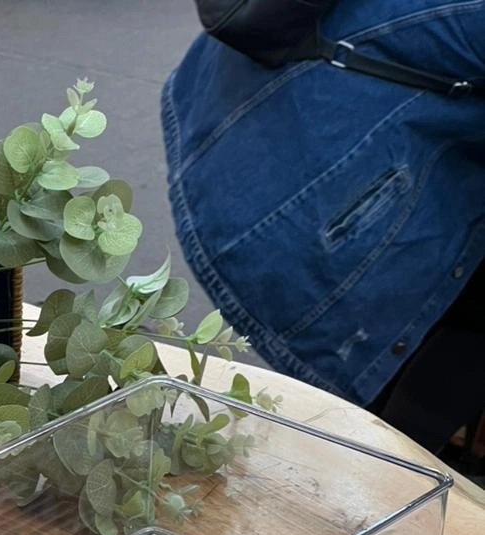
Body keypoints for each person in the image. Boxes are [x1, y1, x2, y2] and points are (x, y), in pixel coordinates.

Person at [162, 0, 485, 467]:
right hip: (312, 198)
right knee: (385, 462)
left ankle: (394, 470)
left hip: (230, 124)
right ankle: (395, 480)